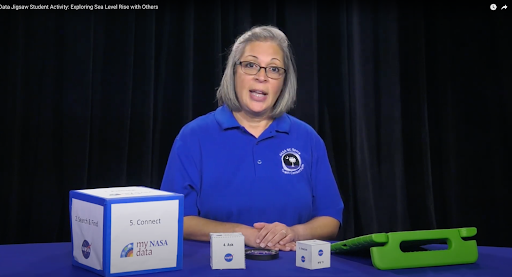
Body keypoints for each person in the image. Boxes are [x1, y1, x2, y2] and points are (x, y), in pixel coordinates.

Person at [160, 25, 344, 252]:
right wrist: (241, 233)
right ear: (233, 72)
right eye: (250, 65)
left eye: (274, 69)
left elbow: (330, 218)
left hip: (293, 267)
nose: (261, 77)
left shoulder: (308, 139)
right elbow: (176, 219)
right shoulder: (193, 137)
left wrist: (294, 233)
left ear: (284, 81)